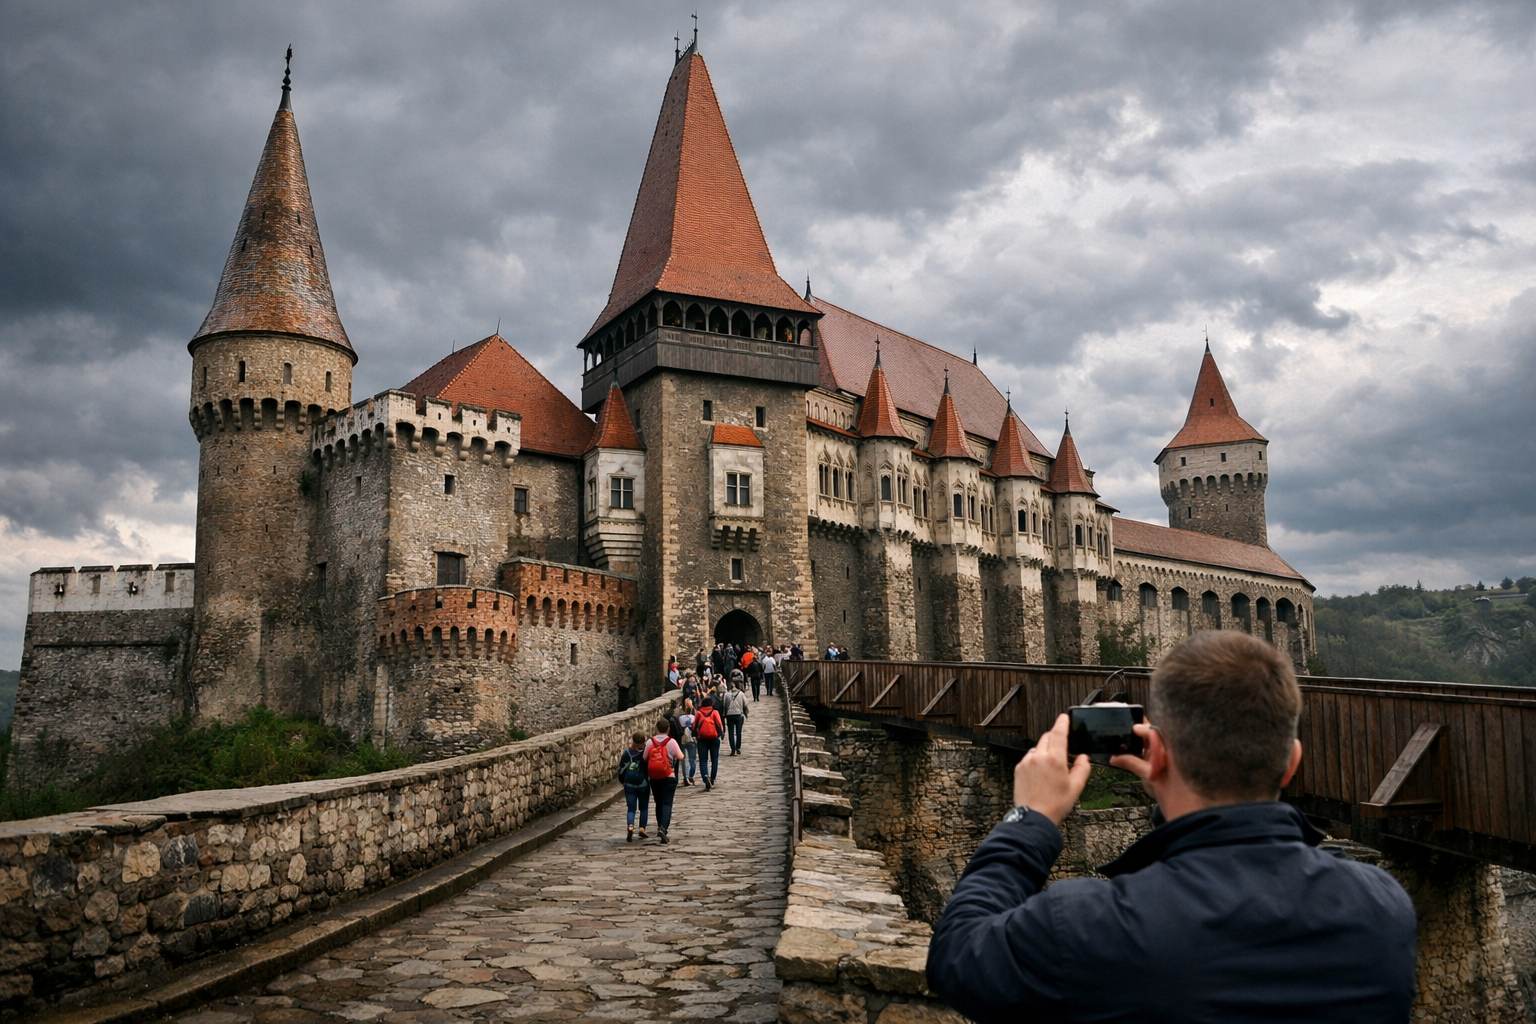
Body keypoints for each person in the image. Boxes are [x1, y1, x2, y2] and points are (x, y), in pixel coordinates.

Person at [926, 631, 1417, 1024]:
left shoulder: (1090, 927)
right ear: (1291, 764)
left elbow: (957, 957)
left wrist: (1028, 821)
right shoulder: (1382, 907)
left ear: (1156, 754)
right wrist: (1172, 793)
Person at [642, 719, 683, 844]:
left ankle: (660, 824)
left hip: (654, 777)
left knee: (658, 802)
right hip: (669, 776)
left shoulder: (650, 742)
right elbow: (680, 756)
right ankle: (663, 828)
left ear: (656, 729)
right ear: (668, 729)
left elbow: (644, 758)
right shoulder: (671, 742)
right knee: (667, 803)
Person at [616, 731, 650, 842]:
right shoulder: (646, 753)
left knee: (631, 808)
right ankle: (642, 828)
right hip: (643, 783)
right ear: (643, 741)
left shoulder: (627, 753)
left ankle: (630, 826)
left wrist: (623, 782)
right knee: (643, 808)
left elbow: (621, 769)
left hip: (629, 784)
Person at [693, 697, 724, 790]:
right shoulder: (715, 712)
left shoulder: (699, 713)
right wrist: (721, 734)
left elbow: (694, 726)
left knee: (703, 759)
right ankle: (713, 778)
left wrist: (694, 734)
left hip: (702, 739)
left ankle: (705, 777)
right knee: (714, 759)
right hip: (714, 738)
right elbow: (719, 724)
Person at [721, 680, 749, 755]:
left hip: (729, 715)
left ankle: (733, 749)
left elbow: (724, 705)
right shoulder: (741, 694)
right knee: (738, 732)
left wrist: (725, 714)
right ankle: (738, 747)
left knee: (731, 733)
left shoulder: (726, 694)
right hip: (739, 714)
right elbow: (746, 703)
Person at [677, 699, 699, 787]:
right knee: (692, 759)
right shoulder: (694, 717)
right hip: (692, 739)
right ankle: (691, 776)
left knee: (683, 760)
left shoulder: (680, 718)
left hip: (682, 739)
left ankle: (685, 777)